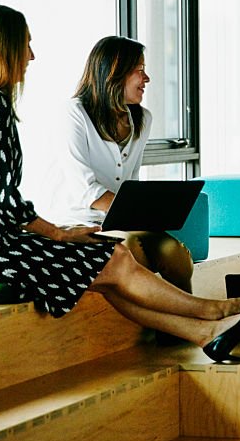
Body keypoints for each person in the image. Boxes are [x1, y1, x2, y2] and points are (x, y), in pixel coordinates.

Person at [0, 4, 240, 363]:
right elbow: (2, 201)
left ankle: (206, 334)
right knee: (113, 257)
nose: (31, 56)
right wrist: (59, 234)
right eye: (26, 44)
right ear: (2, 47)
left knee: (107, 269)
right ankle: (211, 312)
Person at [47, 36, 194, 298]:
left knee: (175, 254)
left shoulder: (142, 119)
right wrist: (137, 214)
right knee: (131, 247)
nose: (146, 78)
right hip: (81, 224)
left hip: (122, 222)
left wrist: (145, 214)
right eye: (139, 70)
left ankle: (177, 330)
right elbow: (84, 189)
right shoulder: (74, 114)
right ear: (114, 73)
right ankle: (166, 323)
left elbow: (131, 181)